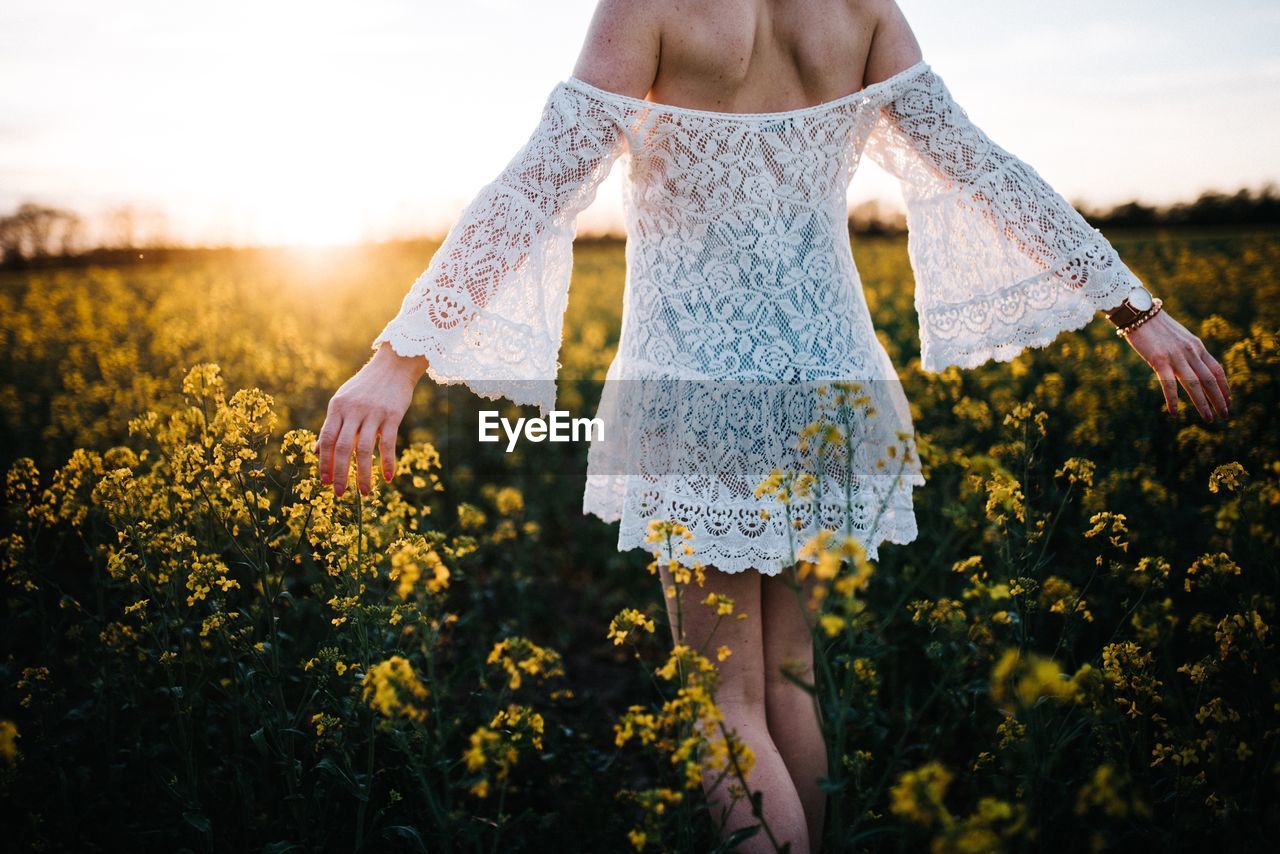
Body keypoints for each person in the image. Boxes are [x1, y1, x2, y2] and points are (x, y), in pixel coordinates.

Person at [314, 1, 1232, 850]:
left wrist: (400, 356)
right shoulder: (860, 9)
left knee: (722, 703)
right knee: (791, 685)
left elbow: (539, 183)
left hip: (697, 387)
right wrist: (1137, 313)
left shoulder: (651, 6)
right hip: (832, 388)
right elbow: (983, 167)